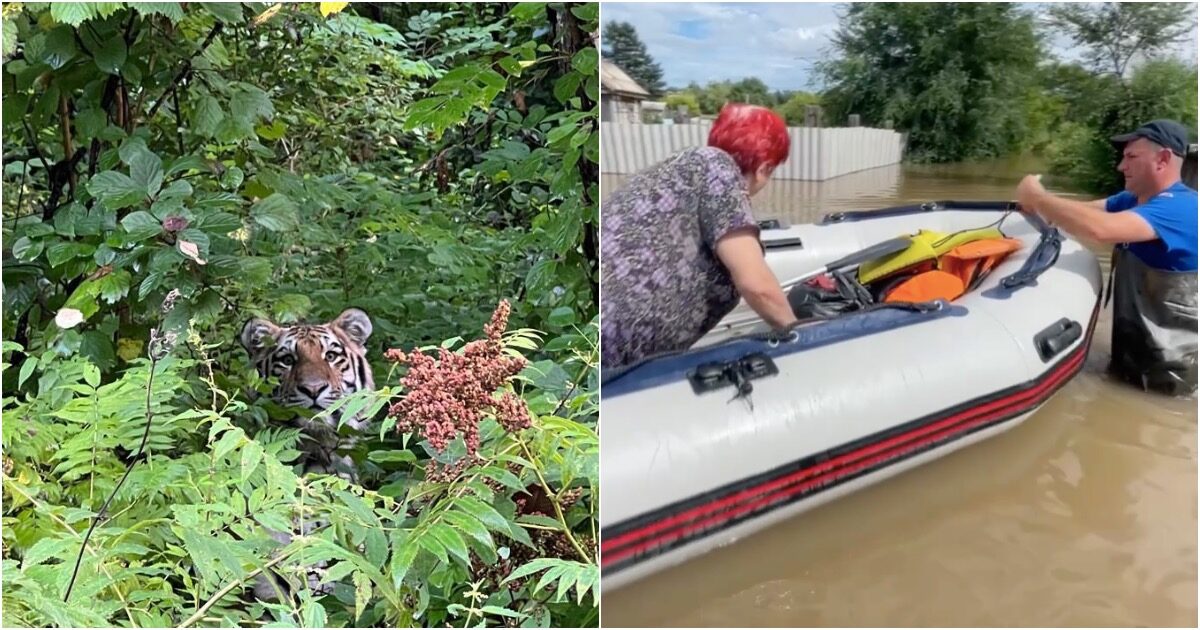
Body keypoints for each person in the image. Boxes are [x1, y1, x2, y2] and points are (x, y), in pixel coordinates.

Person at [601, 103, 797, 368]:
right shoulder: (720, 171)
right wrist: (802, 336)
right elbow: (756, 285)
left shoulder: (680, 167)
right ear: (765, 168)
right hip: (612, 354)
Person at [1015, 119, 1197, 395]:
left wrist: (1039, 197)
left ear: (1162, 159)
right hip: (1133, 356)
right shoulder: (1133, 199)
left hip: (1171, 377)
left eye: (1131, 157)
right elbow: (1079, 213)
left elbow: (1099, 229)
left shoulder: (1182, 207)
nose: (1121, 167)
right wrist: (1034, 210)